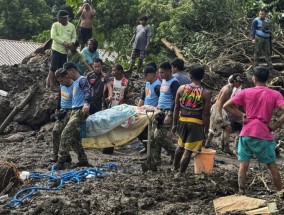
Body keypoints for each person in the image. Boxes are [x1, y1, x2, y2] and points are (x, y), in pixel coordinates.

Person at [223, 66, 284, 195]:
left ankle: (241, 192)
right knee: (272, 166)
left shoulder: (246, 92)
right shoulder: (275, 94)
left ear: (254, 78)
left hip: (246, 133)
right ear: (267, 79)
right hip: (263, 133)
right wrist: (276, 125)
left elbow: (226, 105)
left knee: (243, 165)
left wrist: (242, 115)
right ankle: (281, 192)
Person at [172, 65, 212, 177]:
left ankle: (174, 168)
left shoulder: (181, 89)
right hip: (196, 123)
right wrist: (205, 130)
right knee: (188, 150)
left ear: (190, 76)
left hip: (182, 121)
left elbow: (176, 108)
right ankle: (180, 173)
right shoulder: (206, 93)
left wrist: (175, 124)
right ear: (202, 77)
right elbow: (206, 114)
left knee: (180, 146)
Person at [52, 62, 92, 170]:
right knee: (73, 137)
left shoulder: (82, 80)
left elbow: (88, 92)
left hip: (80, 110)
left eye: (67, 72)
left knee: (66, 133)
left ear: (72, 70)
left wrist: (86, 103)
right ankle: (83, 160)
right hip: (74, 110)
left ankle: (60, 161)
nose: (67, 75)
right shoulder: (74, 82)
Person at [204, 73, 243, 155]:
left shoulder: (229, 88)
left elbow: (218, 98)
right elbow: (220, 102)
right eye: (238, 82)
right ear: (234, 81)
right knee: (220, 128)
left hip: (219, 108)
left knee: (221, 128)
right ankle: (224, 147)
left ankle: (220, 146)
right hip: (218, 109)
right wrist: (220, 115)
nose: (240, 84)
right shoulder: (228, 89)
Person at [151, 62, 180, 166]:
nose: (160, 75)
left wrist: (170, 114)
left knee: (159, 136)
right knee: (154, 136)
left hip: (168, 111)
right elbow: (162, 95)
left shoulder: (174, 83)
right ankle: (157, 159)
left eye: (162, 72)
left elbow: (175, 100)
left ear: (169, 71)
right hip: (160, 110)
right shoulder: (163, 80)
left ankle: (175, 151)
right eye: (159, 73)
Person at [47, 10, 76, 91]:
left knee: (62, 69)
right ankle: (52, 85)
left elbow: (74, 37)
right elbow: (53, 36)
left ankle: (61, 84)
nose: (59, 20)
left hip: (65, 51)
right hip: (56, 49)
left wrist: (71, 43)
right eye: (59, 18)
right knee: (53, 67)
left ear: (66, 18)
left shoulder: (72, 26)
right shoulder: (55, 25)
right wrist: (64, 42)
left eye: (61, 18)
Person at [51, 69, 74, 163]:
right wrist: (57, 108)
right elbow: (61, 96)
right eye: (59, 81)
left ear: (67, 77)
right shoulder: (62, 85)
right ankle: (56, 155)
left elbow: (75, 99)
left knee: (68, 136)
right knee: (55, 131)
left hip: (71, 111)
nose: (61, 83)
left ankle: (65, 156)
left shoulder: (75, 85)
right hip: (62, 111)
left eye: (62, 81)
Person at [137, 66, 162, 154]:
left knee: (152, 135)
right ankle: (147, 147)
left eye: (145, 75)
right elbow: (144, 97)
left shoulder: (157, 86)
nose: (144, 77)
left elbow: (161, 99)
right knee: (140, 130)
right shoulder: (148, 83)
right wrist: (138, 108)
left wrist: (157, 110)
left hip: (152, 112)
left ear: (152, 75)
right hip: (145, 111)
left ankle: (153, 152)